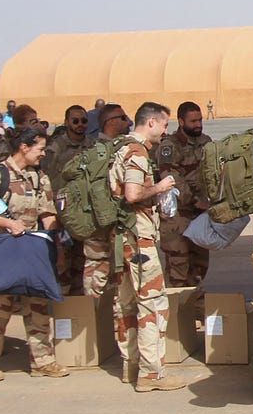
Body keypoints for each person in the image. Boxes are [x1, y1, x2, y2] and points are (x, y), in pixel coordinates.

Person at [0, 127, 70, 381]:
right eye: (40, 148)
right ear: (24, 147)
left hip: (32, 250)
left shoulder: (39, 176)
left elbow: (47, 212)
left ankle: (42, 361)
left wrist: (54, 243)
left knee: (37, 305)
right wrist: (9, 224)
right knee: (0, 307)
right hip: (6, 250)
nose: (43, 154)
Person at [107, 101, 185, 391]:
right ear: (150, 122)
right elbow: (133, 194)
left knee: (125, 303)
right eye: (164, 125)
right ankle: (151, 374)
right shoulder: (137, 152)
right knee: (152, 304)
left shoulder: (120, 147)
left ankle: (132, 366)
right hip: (139, 239)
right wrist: (160, 188)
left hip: (122, 238)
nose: (166, 131)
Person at [154, 101, 212, 293]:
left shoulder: (206, 142)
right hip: (178, 216)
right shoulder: (169, 146)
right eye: (193, 121)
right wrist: (196, 200)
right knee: (178, 268)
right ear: (181, 121)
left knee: (199, 267)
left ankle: (193, 312)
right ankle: (178, 315)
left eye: (200, 120)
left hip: (201, 215)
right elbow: (171, 177)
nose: (198, 124)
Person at [79, 103, 132, 299]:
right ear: (110, 122)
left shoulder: (121, 148)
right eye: (123, 118)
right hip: (98, 224)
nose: (128, 122)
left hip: (117, 223)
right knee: (97, 272)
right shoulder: (95, 151)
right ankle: (94, 321)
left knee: (120, 274)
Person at [42, 105, 93, 294]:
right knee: (63, 263)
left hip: (86, 213)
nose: (80, 125)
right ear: (66, 123)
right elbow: (47, 179)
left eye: (84, 121)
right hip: (63, 213)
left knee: (84, 262)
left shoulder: (92, 145)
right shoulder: (56, 148)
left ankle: (82, 306)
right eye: (75, 121)